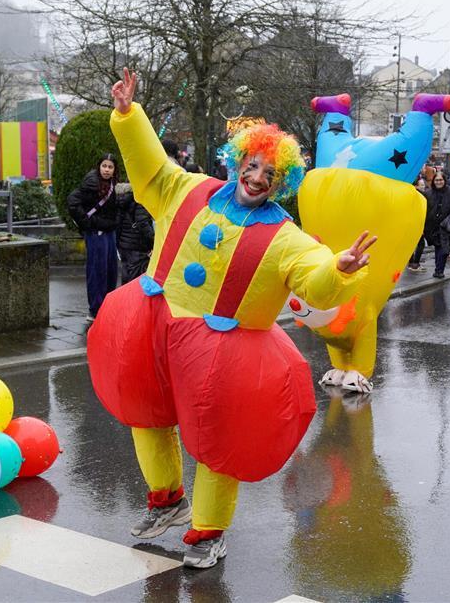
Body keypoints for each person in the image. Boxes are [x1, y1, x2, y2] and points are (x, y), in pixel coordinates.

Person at [88, 68, 375, 569]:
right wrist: (128, 116)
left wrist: (339, 268)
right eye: (253, 163)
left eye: (270, 172)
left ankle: (207, 532)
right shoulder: (190, 190)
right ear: (238, 161)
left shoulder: (285, 236)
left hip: (223, 350)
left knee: (217, 443)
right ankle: (167, 500)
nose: (257, 176)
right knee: (146, 417)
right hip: (154, 323)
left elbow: (313, 275)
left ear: (280, 181)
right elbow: (150, 167)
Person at [67, 153, 120, 320]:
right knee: (97, 271)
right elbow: (72, 201)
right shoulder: (91, 183)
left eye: (110, 167)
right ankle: (95, 309)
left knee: (111, 270)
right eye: (104, 166)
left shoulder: (114, 184)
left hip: (109, 232)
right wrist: (89, 223)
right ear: (99, 166)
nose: (106, 169)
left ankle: (107, 306)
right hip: (96, 233)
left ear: (114, 170)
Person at [414, 171, 450, 279]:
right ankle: (438, 269)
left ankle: (439, 270)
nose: (438, 182)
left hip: (446, 225)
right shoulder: (428, 193)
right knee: (438, 247)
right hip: (432, 226)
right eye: (436, 180)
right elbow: (423, 207)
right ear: (433, 181)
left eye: (440, 180)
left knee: (444, 249)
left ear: (444, 180)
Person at [115, 182, 154, 284]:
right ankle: (131, 299)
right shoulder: (140, 201)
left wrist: (118, 242)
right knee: (136, 278)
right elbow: (143, 223)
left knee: (126, 273)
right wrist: (153, 241)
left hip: (124, 244)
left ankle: (124, 298)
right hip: (138, 244)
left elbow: (117, 224)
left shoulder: (118, 201)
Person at [408, 176, 429, 272]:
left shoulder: (410, 194)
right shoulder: (421, 196)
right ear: (416, 186)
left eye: (424, 185)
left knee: (411, 244)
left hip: (411, 224)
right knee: (420, 244)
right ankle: (415, 264)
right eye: (422, 185)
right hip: (416, 224)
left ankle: (411, 263)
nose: (423, 187)